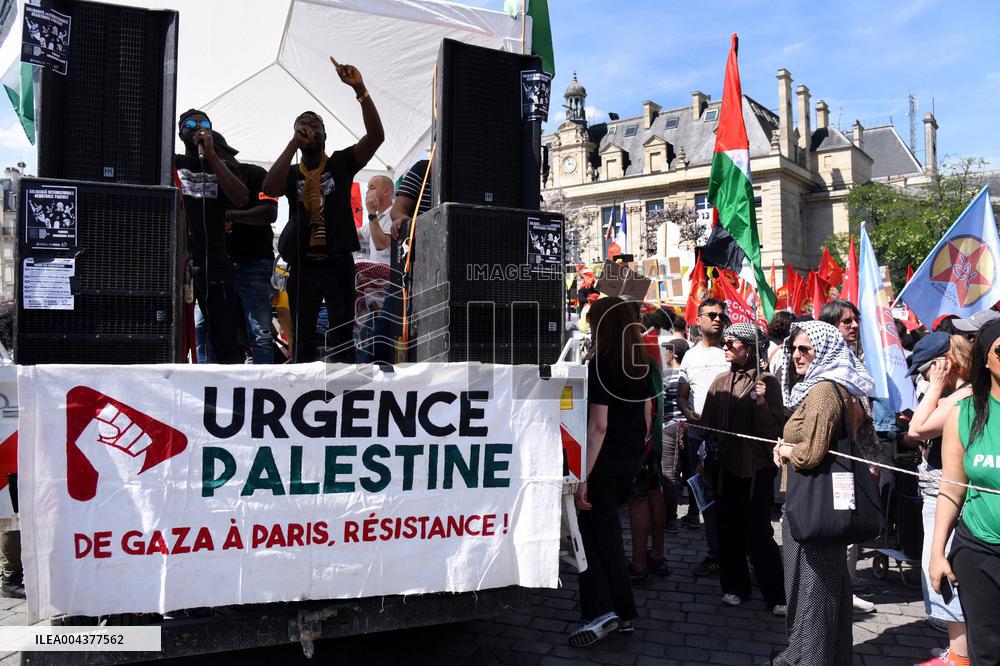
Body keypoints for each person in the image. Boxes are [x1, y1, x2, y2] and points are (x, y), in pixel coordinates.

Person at [264, 59, 384, 363]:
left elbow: (376, 138)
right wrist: (292, 144)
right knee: (302, 336)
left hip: (338, 263)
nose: (307, 130)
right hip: (304, 267)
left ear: (324, 134)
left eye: (313, 125)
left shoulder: (340, 164)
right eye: (301, 126)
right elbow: (270, 186)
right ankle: (301, 395)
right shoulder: (292, 173)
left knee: (342, 334)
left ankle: (342, 394)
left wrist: (360, 89)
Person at [773, 320, 875, 666]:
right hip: (821, 504)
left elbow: (810, 454)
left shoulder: (822, 391)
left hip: (813, 508)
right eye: (794, 348)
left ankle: (808, 659)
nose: (797, 355)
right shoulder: (830, 387)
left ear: (824, 350)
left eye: (805, 348)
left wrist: (787, 450)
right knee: (825, 592)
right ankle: (822, 657)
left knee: (812, 594)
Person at [570, 296, 653, 647]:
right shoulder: (644, 364)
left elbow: (598, 426)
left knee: (597, 538)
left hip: (602, 463)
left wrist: (582, 476)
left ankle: (608, 610)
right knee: (604, 532)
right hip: (629, 458)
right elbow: (648, 416)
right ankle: (616, 611)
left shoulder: (602, 364)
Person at [700, 323, 786, 615]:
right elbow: (707, 424)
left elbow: (773, 429)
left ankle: (776, 595)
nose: (725, 346)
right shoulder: (719, 381)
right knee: (728, 530)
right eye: (724, 341)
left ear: (749, 348)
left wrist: (761, 404)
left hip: (757, 471)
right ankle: (735, 586)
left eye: (732, 342)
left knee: (759, 533)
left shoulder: (768, 382)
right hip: (725, 470)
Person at [929, 319, 1000, 665]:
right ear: (985, 359)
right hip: (979, 552)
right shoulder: (965, 412)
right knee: (986, 651)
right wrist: (937, 552)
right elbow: (952, 487)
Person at [908, 332, 972, 666]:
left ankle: (960, 656)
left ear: (945, 363)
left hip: (947, 496)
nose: (924, 377)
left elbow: (916, 429)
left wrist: (935, 387)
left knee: (943, 570)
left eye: (927, 370)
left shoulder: (964, 394)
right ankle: (959, 650)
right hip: (939, 493)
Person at [818, 298, 880, 615]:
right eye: (846, 321)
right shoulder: (828, 365)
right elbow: (848, 414)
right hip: (842, 459)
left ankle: (847, 584)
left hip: (863, 455)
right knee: (842, 521)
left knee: (852, 525)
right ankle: (836, 588)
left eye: (856, 320)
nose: (854, 325)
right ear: (830, 327)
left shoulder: (856, 359)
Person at [175, 109, 249, 364]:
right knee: (176, 333)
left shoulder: (222, 166)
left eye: (204, 122)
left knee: (225, 335)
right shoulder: (173, 163)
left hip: (215, 261)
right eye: (191, 123)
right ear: (180, 131)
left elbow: (241, 198)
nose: (198, 127)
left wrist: (213, 157)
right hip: (180, 261)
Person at [216, 132, 280, 365]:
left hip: (254, 261)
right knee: (208, 328)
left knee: (260, 331)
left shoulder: (255, 174)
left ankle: (264, 383)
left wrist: (229, 215)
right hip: (219, 264)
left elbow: (269, 213)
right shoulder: (207, 180)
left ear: (225, 154)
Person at [677, 298, 730, 576]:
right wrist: (687, 412)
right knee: (706, 498)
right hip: (699, 437)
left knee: (731, 498)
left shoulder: (733, 351)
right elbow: (682, 395)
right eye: (711, 314)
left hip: (730, 438)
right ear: (699, 320)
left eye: (721, 314)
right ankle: (714, 555)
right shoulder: (690, 355)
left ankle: (737, 554)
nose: (717, 318)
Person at [626, 308, 670, 584]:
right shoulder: (649, 357)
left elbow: (646, 405)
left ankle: (640, 562)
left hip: (639, 444)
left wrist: (642, 444)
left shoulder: (634, 359)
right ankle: (656, 556)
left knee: (640, 498)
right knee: (653, 492)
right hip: (650, 440)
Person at [355, 176, 394, 363]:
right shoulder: (377, 217)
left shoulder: (393, 214)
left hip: (391, 288)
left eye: (372, 187)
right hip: (374, 291)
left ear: (386, 191)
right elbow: (357, 235)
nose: (368, 192)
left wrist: (370, 213)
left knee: (380, 335)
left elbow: (381, 244)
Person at [661, 337, 688, 533]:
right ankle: (694, 513)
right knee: (691, 473)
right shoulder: (687, 374)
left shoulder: (666, 376)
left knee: (669, 474)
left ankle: (670, 518)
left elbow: (658, 402)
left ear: (672, 354)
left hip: (670, 427)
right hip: (689, 427)